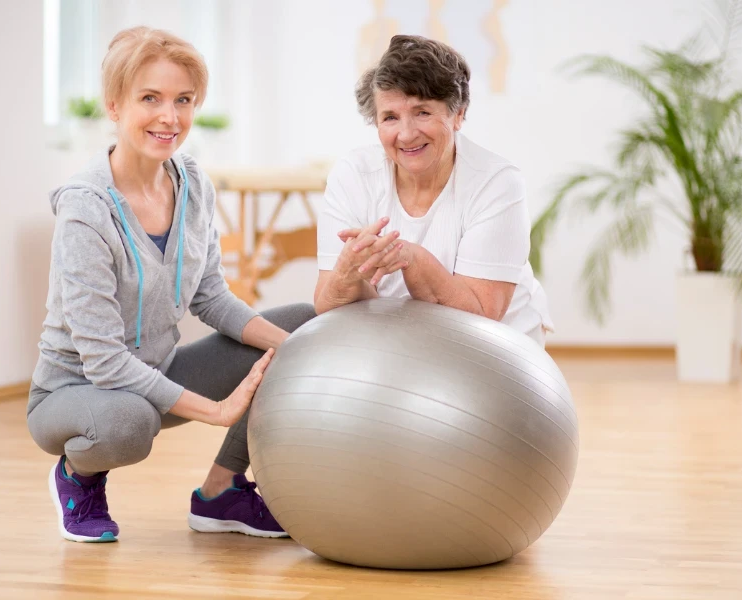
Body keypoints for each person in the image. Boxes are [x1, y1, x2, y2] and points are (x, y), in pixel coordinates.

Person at [27, 26, 315, 543]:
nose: (170, 117)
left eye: (183, 100)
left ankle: (221, 494)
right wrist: (217, 411)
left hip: (156, 374)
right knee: (127, 423)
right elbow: (105, 363)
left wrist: (302, 350)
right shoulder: (85, 210)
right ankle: (79, 477)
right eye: (150, 99)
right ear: (114, 106)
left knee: (302, 325)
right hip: (74, 393)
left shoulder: (192, 183)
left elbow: (210, 296)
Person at [314, 35, 552, 345]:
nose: (407, 134)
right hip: (402, 343)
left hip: (498, 350)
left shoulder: (497, 182)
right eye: (390, 117)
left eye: (423, 112)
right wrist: (349, 273)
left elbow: (481, 316)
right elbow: (325, 305)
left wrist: (412, 259)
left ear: (458, 114)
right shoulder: (354, 174)